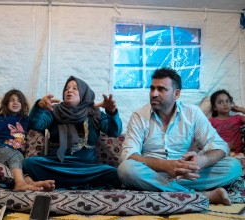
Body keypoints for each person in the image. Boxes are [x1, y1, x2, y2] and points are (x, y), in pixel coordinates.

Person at [117, 67, 242, 205]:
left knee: (234, 166)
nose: (154, 94)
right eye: (152, 88)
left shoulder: (192, 113)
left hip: (186, 175)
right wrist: (166, 166)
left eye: (161, 89)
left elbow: (220, 145)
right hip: (152, 173)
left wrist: (202, 160)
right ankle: (201, 196)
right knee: (126, 169)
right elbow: (128, 155)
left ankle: (167, 189)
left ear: (176, 94)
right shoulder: (139, 116)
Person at [23, 76, 123, 189]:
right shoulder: (54, 110)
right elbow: (36, 125)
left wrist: (111, 112)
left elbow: (115, 132)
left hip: (86, 168)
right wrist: (39, 107)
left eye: (75, 88)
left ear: (84, 93)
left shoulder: (94, 113)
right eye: (67, 88)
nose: (69, 90)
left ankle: (58, 183)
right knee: (29, 163)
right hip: (56, 166)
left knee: (113, 173)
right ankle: (80, 185)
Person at [0, 89, 55, 191]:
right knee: (16, 155)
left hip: (16, 155)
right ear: (6, 103)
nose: (15, 103)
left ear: (23, 104)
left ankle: (30, 182)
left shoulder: (25, 120)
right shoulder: (0, 119)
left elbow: (37, 122)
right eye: (12, 100)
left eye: (18, 101)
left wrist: (42, 108)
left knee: (22, 162)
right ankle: (20, 183)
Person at [209, 89, 245, 158]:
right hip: (219, 154)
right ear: (214, 107)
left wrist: (241, 109)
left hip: (238, 154)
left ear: (231, 103)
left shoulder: (237, 118)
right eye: (220, 102)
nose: (225, 104)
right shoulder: (211, 121)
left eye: (227, 101)